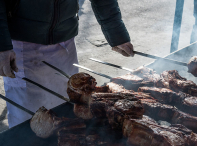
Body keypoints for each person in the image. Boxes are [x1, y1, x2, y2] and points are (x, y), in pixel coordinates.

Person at [0, 0, 134, 128]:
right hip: (22, 44)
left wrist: (116, 33)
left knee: (68, 112)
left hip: (65, 39)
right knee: (28, 122)